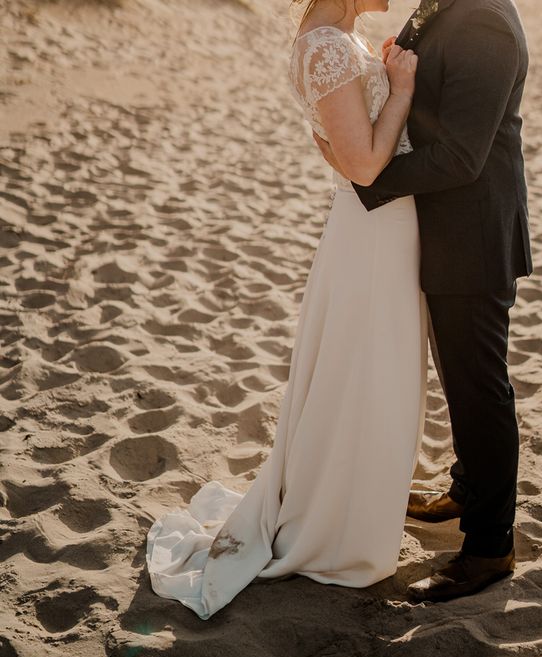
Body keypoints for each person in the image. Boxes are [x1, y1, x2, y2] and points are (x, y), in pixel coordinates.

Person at [145, 0, 427, 620]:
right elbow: (364, 165)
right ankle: (339, 529)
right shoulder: (325, 45)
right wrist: (401, 89)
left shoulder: (339, 40)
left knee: (372, 373)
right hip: (374, 231)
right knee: (366, 373)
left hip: (378, 227)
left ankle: (349, 508)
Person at [315, 0, 532, 602]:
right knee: (457, 374)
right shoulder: (444, 7)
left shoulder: (484, 22)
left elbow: (463, 156)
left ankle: (489, 547)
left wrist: (369, 178)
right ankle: (467, 489)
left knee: (479, 385)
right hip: (443, 229)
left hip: (474, 234)